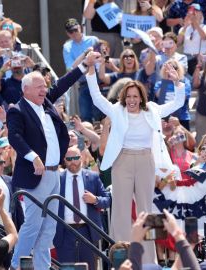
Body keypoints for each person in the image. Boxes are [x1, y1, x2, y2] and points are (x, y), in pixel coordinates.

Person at [85, 57, 185, 263]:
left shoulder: (153, 110)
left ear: (141, 98)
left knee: (146, 209)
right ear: (124, 97)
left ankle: (150, 261)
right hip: (122, 161)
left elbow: (178, 102)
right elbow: (95, 97)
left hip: (146, 161)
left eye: (135, 96)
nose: (131, 100)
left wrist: (177, 82)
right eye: (128, 96)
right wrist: (91, 71)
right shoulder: (116, 110)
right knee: (120, 210)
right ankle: (121, 258)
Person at [7, 52, 97, 269]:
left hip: (54, 172)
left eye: (44, 87)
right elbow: (14, 136)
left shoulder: (46, 103)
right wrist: (33, 156)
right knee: (33, 225)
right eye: (38, 86)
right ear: (25, 89)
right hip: (35, 175)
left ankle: (42, 267)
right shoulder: (17, 110)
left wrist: (84, 65)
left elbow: (63, 83)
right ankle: (15, 266)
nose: (43, 90)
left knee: (49, 228)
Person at [53, 146, 111, 270]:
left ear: (82, 158)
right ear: (64, 160)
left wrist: (95, 200)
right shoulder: (57, 179)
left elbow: (107, 200)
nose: (73, 161)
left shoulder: (93, 177)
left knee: (89, 267)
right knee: (66, 268)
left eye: (76, 157)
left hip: (88, 231)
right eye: (69, 158)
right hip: (64, 232)